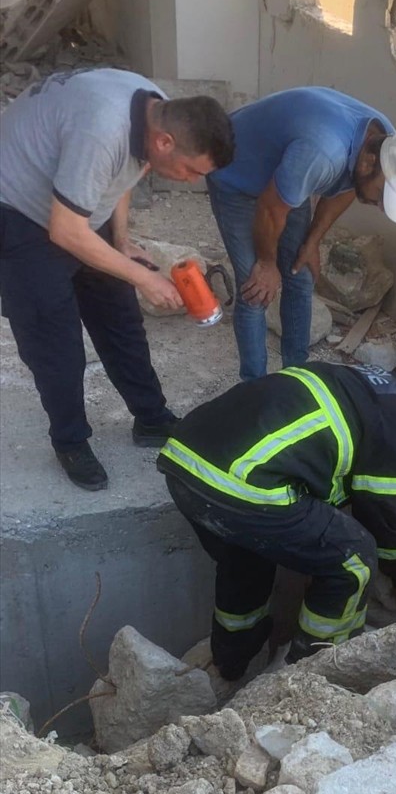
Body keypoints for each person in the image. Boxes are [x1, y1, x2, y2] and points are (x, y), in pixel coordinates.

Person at [0, 68, 234, 491]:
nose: (192, 181)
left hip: (71, 205)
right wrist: (146, 281)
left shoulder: (155, 109)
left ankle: (151, 418)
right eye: (190, 170)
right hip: (17, 211)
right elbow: (65, 231)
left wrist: (122, 242)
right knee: (56, 343)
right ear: (166, 142)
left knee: (120, 318)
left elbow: (122, 173)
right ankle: (71, 441)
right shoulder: (102, 129)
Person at [158, 360, 396, 680]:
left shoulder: (346, 375)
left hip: (184, 464)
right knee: (353, 557)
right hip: (243, 485)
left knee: (246, 560)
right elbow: (386, 513)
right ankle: (314, 675)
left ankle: (230, 662)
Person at [205, 87, 396, 382]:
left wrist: (313, 241)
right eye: (380, 196)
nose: (379, 206)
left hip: (284, 176)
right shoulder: (323, 152)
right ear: (368, 163)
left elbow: (350, 186)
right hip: (235, 171)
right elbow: (270, 209)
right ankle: (255, 389)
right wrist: (266, 263)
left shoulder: (386, 141)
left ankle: (297, 377)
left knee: (300, 275)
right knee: (255, 289)